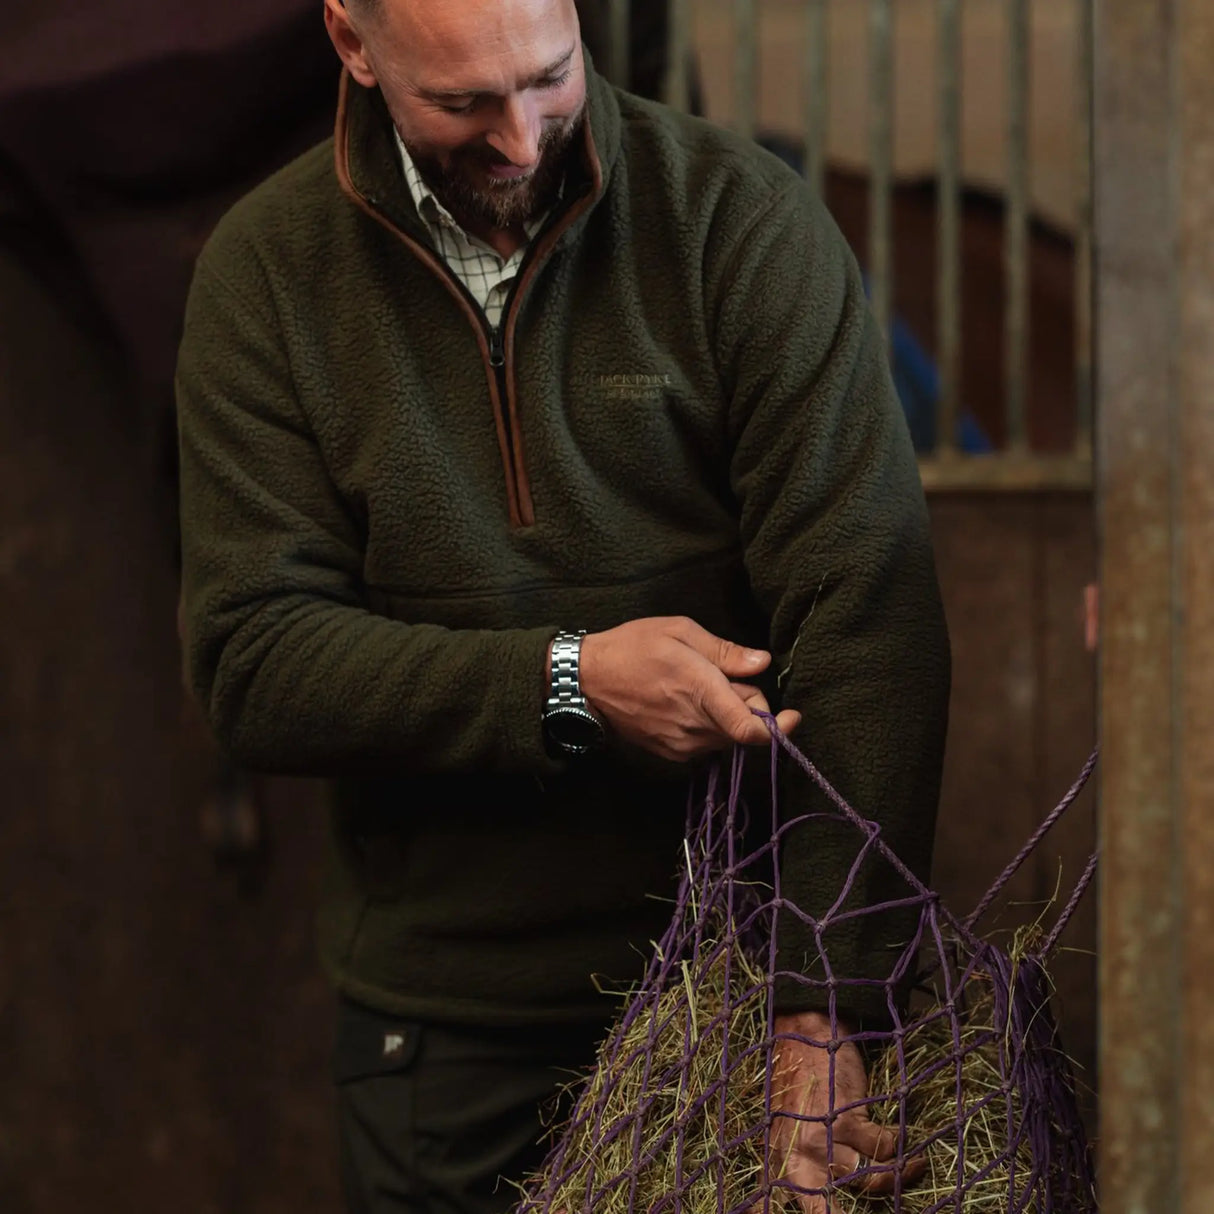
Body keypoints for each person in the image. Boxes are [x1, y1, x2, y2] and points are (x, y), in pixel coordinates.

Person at [174, 1, 951, 1211]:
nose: (525, 140)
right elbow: (252, 659)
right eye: (463, 104)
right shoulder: (266, 275)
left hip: (744, 988)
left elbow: (866, 612)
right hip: (448, 1025)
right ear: (352, 44)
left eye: (548, 77)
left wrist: (826, 1001)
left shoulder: (735, 225)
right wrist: (567, 680)